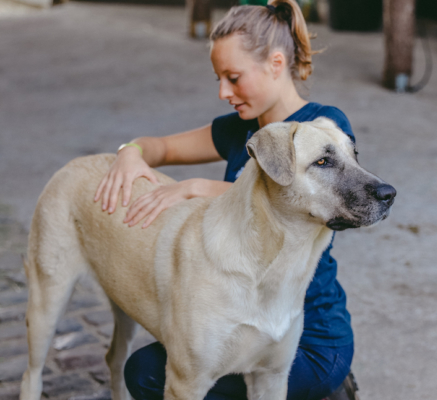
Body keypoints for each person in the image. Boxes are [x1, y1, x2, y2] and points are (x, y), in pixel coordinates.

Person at [94, 1, 359, 399]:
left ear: (274, 63)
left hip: (312, 335)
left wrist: (199, 187)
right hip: (243, 310)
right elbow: (161, 147)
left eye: (233, 77)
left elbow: (293, 202)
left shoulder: (324, 131)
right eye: (219, 78)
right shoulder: (241, 130)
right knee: (145, 371)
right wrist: (129, 151)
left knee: (163, 381)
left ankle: (330, 387)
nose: (223, 92)